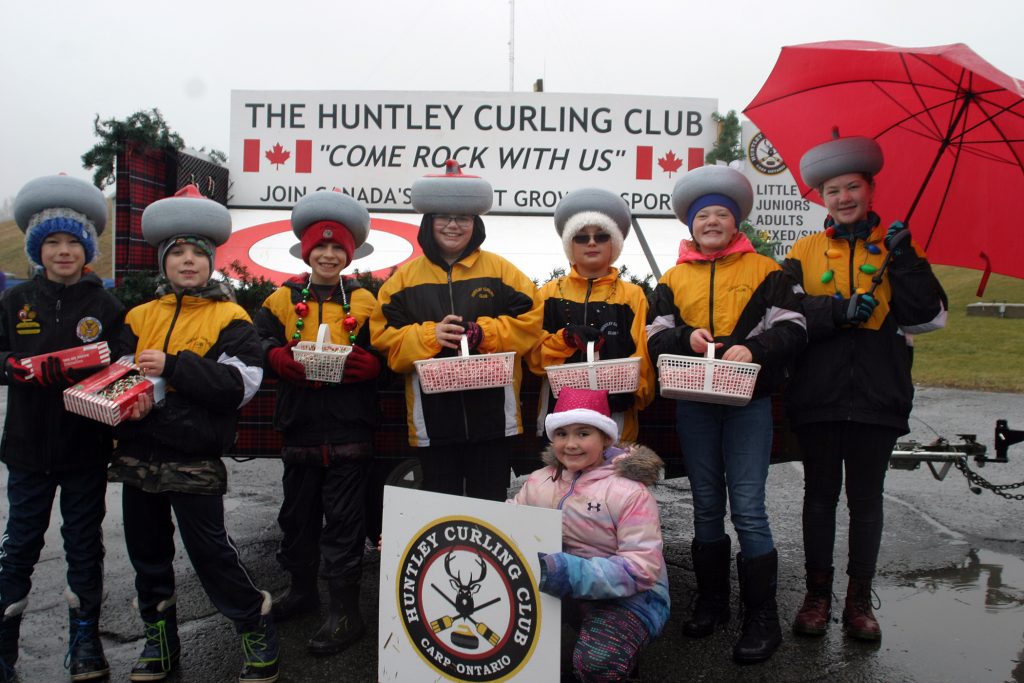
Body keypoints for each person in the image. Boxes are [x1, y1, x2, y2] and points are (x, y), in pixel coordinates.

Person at [107, 185, 279, 682]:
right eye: (176, 253)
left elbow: (239, 386)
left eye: (196, 253)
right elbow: (116, 375)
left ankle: (254, 623)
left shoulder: (232, 318)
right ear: (163, 262)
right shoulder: (138, 317)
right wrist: (127, 397)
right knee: (147, 554)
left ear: (210, 261)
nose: (186, 261)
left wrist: (175, 367)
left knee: (210, 553)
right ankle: (159, 640)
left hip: (195, 457)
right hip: (138, 455)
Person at [784, 135, 947, 642]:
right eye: (833, 190)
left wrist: (905, 260)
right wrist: (835, 312)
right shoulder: (805, 250)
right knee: (819, 496)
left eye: (852, 186)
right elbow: (784, 313)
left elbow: (928, 318)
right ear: (821, 198)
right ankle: (816, 596)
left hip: (879, 393)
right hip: (819, 393)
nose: (843, 197)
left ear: (871, 188)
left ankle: (858, 602)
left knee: (867, 500)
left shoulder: (901, 246)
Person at [646, 165, 806, 664]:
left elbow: (797, 327)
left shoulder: (767, 271)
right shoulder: (671, 278)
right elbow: (654, 335)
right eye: (703, 215)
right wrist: (685, 339)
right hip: (694, 403)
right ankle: (712, 601)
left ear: (736, 223)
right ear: (690, 226)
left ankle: (762, 616)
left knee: (750, 508)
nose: (712, 221)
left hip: (748, 405)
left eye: (721, 214)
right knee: (706, 503)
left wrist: (755, 348)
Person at [0, 174, 124, 682]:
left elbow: (122, 368)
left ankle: (86, 642)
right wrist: (15, 369)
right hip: (27, 449)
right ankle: (4, 647)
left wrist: (99, 376)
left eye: (74, 241)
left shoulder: (105, 305)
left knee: (82, 543)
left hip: (84, 448)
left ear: (88, 249)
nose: (63, 251)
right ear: (37, 248)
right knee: (20, 543)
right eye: (52, 241)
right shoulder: (13, 302)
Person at [254, 190, 383, 655]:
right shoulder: (282, 297)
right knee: (297, 518)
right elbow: (256, 340)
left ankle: (345, 611)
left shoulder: (367, 300)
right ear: (307, 253)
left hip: (350, 431)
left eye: (337, 249)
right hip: (301, 428)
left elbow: (385, 350)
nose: (328, 255)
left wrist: (373, 365)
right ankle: (303, 593)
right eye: (320, 249)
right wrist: (275, 356)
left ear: (348, 255)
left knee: (345, 523)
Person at [370, 160, 542, 501]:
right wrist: (429, 336)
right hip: (432, 422)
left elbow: (531, 323)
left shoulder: (502, 271)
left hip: (494, 419)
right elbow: (384, 341)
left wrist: (484, 334)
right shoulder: (402, 281)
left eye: (462, 218)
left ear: (474, 223)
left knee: (489, 506)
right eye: (443, 218)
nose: (453, 225)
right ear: (428, 223)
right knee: (439, 505)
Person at [511, 387, 669, 682]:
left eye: (583, 434)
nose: (570, 444)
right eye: (561, 434)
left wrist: (567, 571)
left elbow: (642, 568)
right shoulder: (539, 481)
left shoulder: (629, 491)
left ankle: (616, 659)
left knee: (597, 662)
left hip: (634, 598)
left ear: (606, 438)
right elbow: (510, 522)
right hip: (567, 586)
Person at [527, 188, 654, 443]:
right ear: (570, 246)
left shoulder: (632, 295)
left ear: (614, 244)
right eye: (581, 237)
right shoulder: (547, 293)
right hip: (560, 418)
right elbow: (534, 359)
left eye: (602, 236)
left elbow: (644, 357)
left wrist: (635, 394)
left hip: (615, 419)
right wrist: (564, 340)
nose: (592, 242)